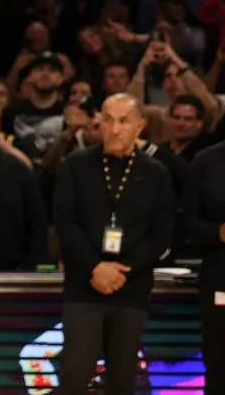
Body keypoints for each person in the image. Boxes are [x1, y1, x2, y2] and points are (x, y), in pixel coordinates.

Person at [53, 93, 174, 395]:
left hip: (131, 287)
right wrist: (96, 267)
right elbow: (64, 224)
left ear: (139, 127)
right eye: (108, 120)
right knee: (75, 376)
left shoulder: (155, 172)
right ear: (99, 123)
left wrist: (123, 269)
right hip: (84, 284)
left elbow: (162, 233)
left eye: (124, 121)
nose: (115, 129)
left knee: (122, 379)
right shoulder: (74, 165)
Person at [180, 140, 225, 394]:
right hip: (220, 277)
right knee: (219, 366)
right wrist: (218, 233)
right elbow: (187, 221)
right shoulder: (207, 160)